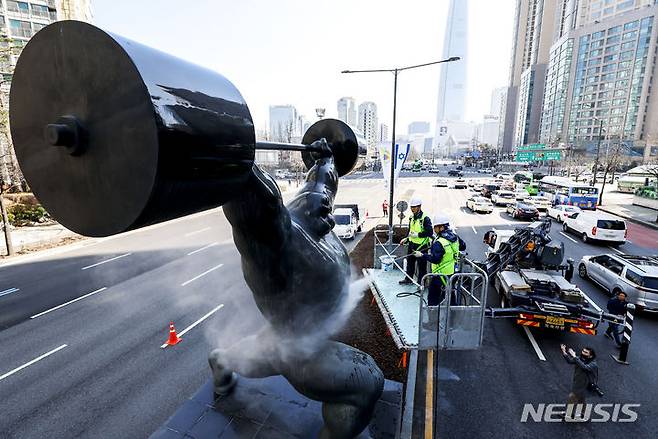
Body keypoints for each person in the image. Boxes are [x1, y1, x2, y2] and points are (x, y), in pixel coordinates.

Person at [208, 138, 384, 438]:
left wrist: (326, 158)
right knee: (369, 382)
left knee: (246, 355)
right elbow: (254, 211)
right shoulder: (272, 246)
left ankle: (222, 362)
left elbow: (322, 186)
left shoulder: (311, 212)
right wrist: (235, 159)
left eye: (326, 209)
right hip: (302, 354)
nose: (327, 215)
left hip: (284, 337)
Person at [415, 214, 466, 305]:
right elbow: (463, 246)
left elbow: (435, 259)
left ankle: (432, 315)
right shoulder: (455, 237)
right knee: (450, 294)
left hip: (440, 275)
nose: (434, 230)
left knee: (433, 298)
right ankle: (453, 314)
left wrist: (422, 255)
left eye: (435, 227)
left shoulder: (439, 242)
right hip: (453, 272)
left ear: (441, 227)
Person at [399, 197, 433, 285]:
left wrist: (418, 235)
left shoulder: (425, 218)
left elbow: (430, 232)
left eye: (414, 207)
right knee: (410, 263)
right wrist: (406, 238)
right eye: (411, 207)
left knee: (421, 266)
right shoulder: (411, 217)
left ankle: (420, 284)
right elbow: (410, 230)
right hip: (412, 244)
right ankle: (408, 279)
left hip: (421, 246)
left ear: (419, 207)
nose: (412, 209)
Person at [560, 344, 598, 417]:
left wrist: (574, 356)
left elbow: (585, 367)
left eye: (586, 352)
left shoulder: (593, 364)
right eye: (583, 351)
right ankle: (584, 413)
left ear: (591, 356)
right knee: (581, 399)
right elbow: (570, 361)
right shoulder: (580, 359)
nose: (583, 353)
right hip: (577, 382)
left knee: (572, 397)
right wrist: (564, 351)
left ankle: (568, 413)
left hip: (584, 385)